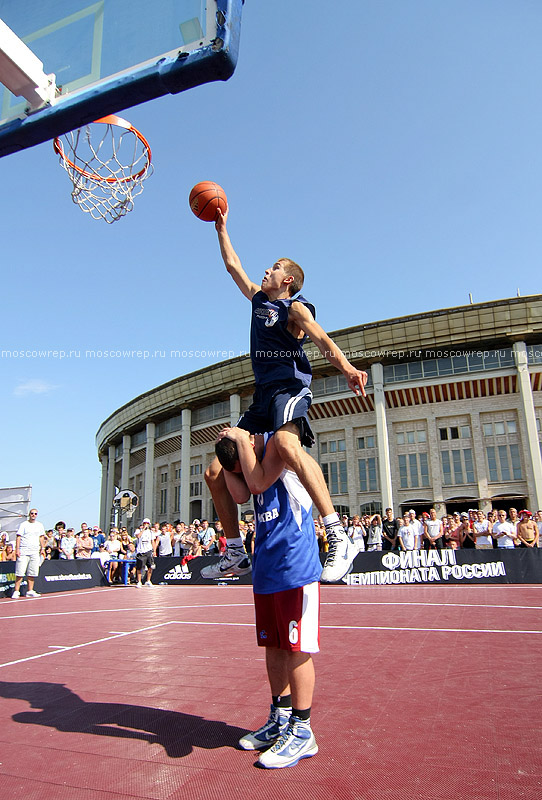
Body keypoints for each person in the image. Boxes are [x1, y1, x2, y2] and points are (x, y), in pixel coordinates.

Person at [202, 205, 368, 583]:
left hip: (289, 388)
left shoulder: (294, 309)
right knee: (215, 470)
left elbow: (322, 338)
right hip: (262, 395)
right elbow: (232, 266)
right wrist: (220, 228)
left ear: (289, 279)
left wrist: (347, 369)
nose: (267, 270)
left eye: (275, 267)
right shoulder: (259, 299)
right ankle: (235, 552)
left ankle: (339, 536)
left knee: (288, 446)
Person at [216, 426, 320, 769]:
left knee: (296, 649)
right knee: (273, 646)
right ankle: (280, 716)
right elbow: (238, 489)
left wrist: (243, 438)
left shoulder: (279, 451)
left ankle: (303, 731)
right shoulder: (248, 467)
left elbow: (261, 475)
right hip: (266, 565)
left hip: (296, 564)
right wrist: (227, 453)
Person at [13, 509, 46, 599]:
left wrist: (42, 548)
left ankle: (30, 590)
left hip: (35, 551)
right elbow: (18, 537)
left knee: (32, 572)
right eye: (32, 513)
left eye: (35, 514)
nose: (33, 515)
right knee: (20, 571)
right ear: (29, 514)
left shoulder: (39, 525)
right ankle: (16, 591)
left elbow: (41, 537)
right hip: (24, 550)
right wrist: (17, 549)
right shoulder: (24, 524)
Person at [134, 518, 156, 586]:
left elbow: (153, 541)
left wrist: (154, 550)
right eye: (145, 523)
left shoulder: (151, 532)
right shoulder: (138, 530)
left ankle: (148, 580)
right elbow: (138, 536)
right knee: (139, 567)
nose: (146, 524)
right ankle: (139, 581)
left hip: (148, 551)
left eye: (147, 523)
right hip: (141, 551)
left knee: (150, 566)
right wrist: (143, 529)